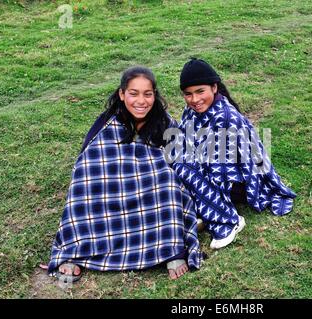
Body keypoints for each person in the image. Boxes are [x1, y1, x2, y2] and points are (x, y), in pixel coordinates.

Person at [46, 66, 204, 282]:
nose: (141, 101)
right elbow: (89, 159)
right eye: (133, 93)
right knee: (84, 182)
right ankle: (76, 250)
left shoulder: (163, 121)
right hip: (112, 187)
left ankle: (169, 249)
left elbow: (182, 155)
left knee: (167, 182)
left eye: (147, 94)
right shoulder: (106, 124)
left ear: (154, 95)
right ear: (122, 94)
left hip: (151, 185)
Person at [165, 58, 297, 250]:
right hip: (210, 167)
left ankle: (228, 221)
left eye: (200, 91)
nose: (194, 100)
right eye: (188, 94)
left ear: (214, 88)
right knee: (169, 161)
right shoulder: (191, 111)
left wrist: (185, 168)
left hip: (236, 182)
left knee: (182, 169)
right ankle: (197, 210)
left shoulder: (225, 118)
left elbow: (219, 172)